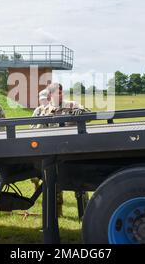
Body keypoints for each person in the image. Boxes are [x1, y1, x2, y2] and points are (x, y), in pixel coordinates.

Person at [38, 83, 91, 217]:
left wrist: (82, 113)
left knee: (81, 186)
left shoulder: (72, 105)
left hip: (73, 152)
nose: (59, 95)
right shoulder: (46, 111)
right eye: (56, 93)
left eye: (61, 92)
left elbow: (90, 115)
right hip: (55, 154)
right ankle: (57, 216)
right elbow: (39, 131)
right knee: (54, 186)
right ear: (50, 95)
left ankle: (86, 215)